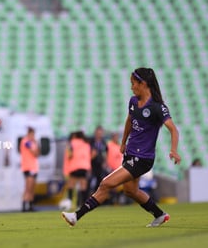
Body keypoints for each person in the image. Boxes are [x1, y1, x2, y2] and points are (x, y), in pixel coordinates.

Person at [62, 67, 181, 227]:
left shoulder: (157, 107)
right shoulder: (133, 101)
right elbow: (129, 121)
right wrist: (123, 142)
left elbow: (173, 129)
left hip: (143, 158)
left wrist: (173, 150)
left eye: (133, 83)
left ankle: (76, 216)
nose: (132, 87)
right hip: (130, 154)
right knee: (130, 191)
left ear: (143, 84)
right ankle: (160, 215)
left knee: (106, 183)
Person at [62, 131, 91, 209]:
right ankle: (83, 205)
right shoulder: (86, 144)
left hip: (74, 166)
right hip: (84, 167)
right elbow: (88, 156)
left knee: (71, 184)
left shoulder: (71, 143)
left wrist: (66, 170)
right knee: (83, 186)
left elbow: (69, 155)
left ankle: (69, 203)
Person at [19, 127, 39, 212]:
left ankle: (30, 205)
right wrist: (35, 143)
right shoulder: (26, 142)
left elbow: (37, 154)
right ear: (29, 134)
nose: (33, 136)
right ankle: (24, 205)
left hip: (34, 167)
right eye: (32, 134)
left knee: (32, 187)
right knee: (28, 187)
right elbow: (35, 153)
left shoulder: (32, 142)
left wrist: (35, 143)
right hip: (27, 167)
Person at [88, 125, 108, 195]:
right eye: (98, 133)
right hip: (91, 163)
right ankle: (87, 196)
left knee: (100, 180)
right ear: (95, 132)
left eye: (101, 133)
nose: (99, 134)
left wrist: (105, 162)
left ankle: (96, 195)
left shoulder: (103, 142)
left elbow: (105, 153)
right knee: (89, 179)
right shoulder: (91, 141)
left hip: (100, 164)